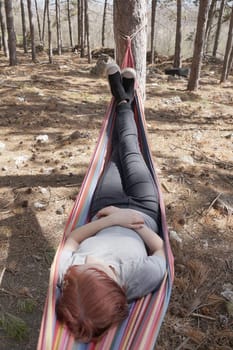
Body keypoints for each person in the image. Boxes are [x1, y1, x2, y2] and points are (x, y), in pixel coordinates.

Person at [56, 63, 166, 342]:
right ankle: (124, 98)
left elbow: (72, 240)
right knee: (131, 148)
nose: (96, 261)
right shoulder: (139, 278)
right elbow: (161, 249)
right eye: (103, 270)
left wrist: (113, 219)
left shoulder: (68, 275)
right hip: (143, 206)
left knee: (115, 152)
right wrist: (136, 225)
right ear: (116, 288)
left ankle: (123, 97)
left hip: (105, 205)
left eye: (89, 267)